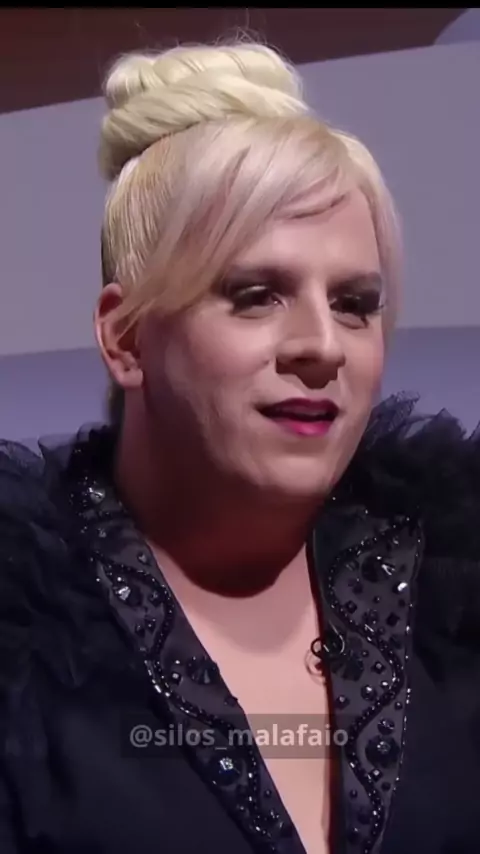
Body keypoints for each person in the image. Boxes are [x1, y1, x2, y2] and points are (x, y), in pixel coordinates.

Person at [0, 39, 479, 854]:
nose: (322, 345)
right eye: (256, 295)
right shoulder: (23, 645)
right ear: (126, 337)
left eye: (355, 303)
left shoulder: (453, 592)